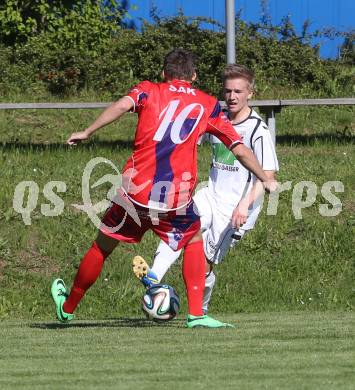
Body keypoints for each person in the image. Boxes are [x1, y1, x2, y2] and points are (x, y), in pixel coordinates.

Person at [51, 50, 276, 328]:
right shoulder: (207, 103)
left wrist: (87, 132)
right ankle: (196, 315)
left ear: (163, 73)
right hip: (173, 199)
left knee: (101, 247)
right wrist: (263, 177)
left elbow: (122, 105)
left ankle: (68, 308)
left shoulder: (148, 90)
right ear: (194, 76)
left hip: (135, 193)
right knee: (193, 240)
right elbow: (239, 148)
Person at [133, 64, 279, 314]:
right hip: (209, 194)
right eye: (228, 91)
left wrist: (245, 204)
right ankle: (154, 277)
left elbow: (268, 176)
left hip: (235, 207)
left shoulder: (257, 129)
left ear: (250, 93)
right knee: (180, 227)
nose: (232, 97)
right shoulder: (216, 119)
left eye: (238, 91)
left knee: (204, 262)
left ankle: (201, 308)